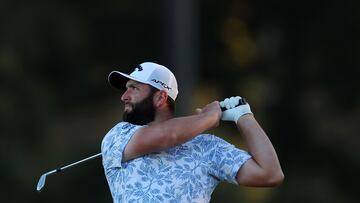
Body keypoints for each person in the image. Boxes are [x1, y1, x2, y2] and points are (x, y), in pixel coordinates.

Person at [101, 62, 284, 203]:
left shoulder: (206, 146)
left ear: (160, 97)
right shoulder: (119, 135)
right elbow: (167, 136)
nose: (124, 96)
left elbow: (270, 174)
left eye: (134, 88)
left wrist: (244, 116)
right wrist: (210, 118)